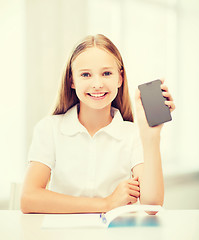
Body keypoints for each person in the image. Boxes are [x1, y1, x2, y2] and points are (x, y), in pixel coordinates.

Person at [20, 34, 175, 214]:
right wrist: (107, 203)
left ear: (120, 78)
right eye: (85, 74)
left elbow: (152, 204)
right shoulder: (49, 129)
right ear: (72, 80)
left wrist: (151, 137)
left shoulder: (133, 134)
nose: (97, 84)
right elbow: (29, 199)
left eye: (107, 73)